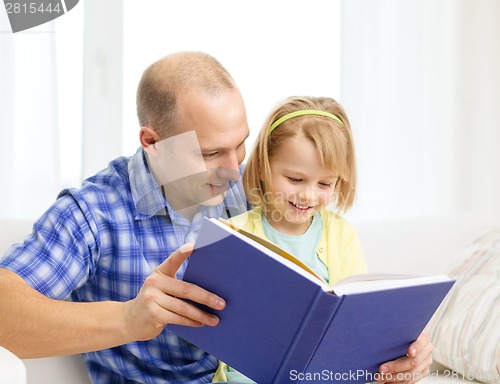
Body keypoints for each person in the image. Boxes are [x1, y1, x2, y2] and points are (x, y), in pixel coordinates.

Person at [0, 52, 432, 384]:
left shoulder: (257, 190)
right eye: (210, 154)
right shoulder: (95, 212)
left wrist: (392, 347)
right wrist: (128, 319)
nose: (234, 169)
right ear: (153, 142)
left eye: (240, 145)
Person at [213, 96, 433, 384]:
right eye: (294, 179)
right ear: (265, 167)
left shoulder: (341, 234)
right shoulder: (233, 234)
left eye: (325, 184)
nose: (309, 195)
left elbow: (357, 315)